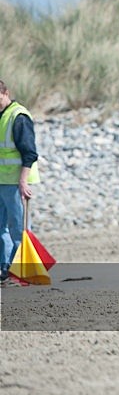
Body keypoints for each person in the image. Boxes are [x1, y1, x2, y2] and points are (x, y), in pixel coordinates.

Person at [0, 80, 40, 283]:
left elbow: (30, 153)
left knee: (19, 229)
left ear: (5, 93)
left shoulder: (19, 117)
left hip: (16, 183)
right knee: (0, 228)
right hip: (1, 181)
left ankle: (24, 272)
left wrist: (23, 182)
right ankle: (5, 269)